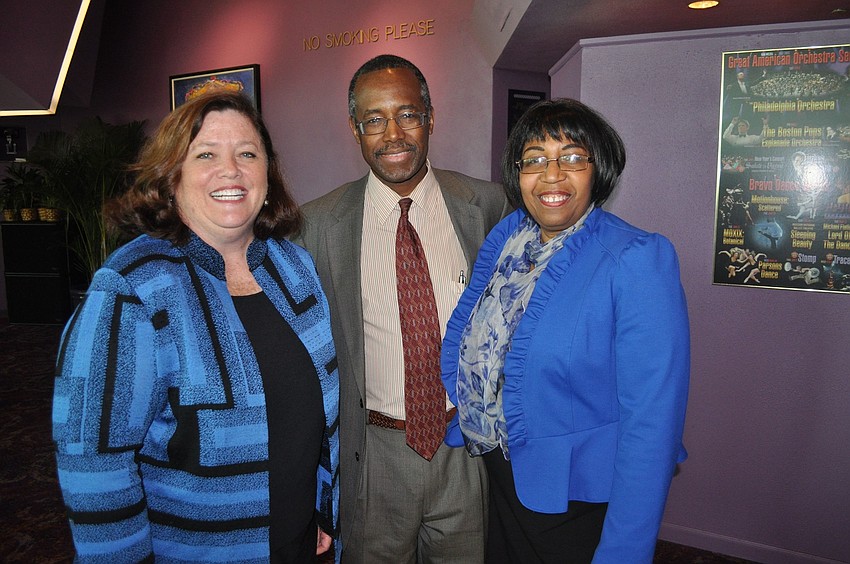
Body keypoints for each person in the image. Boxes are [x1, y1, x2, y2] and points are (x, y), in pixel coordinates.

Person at [52, 91, 339, 563]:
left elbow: (316, 414)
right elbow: (93, 462)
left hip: (296, 542)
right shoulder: (131, 287)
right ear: (172, 177)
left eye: (247, 153)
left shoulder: (294, 267)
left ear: (268, 176)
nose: (231, 170)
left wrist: (318, 508)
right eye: (206, 154)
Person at [441, 98, 691, 563]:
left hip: (577, 500)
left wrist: (624, 552)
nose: (552, 175)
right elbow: (473, 330)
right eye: (534, 159)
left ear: (601, 168)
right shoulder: (509, 238)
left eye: (573, 157)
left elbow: (652, 427)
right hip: (501, 475)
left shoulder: (638, 259)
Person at [296, 54, 511, 563]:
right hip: (373, 455)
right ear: (355, 130)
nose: (393, 133)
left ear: (430, 117)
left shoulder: (489, 207)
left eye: (408, 114)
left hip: (466, 450)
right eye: (374, 119)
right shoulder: (316, 227)